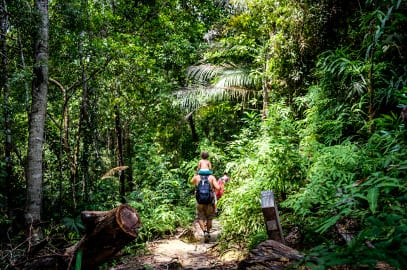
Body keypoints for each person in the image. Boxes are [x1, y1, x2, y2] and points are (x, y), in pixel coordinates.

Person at [190, 173, 220, 243]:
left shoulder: (197, 177)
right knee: (209, 218)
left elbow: (191, 182)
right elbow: (218, 187)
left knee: (200, 217)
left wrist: (194, 176)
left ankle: (204, 232)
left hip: (199, 201)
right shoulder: (211, 177)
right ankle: (208, 232)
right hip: (209, 201)